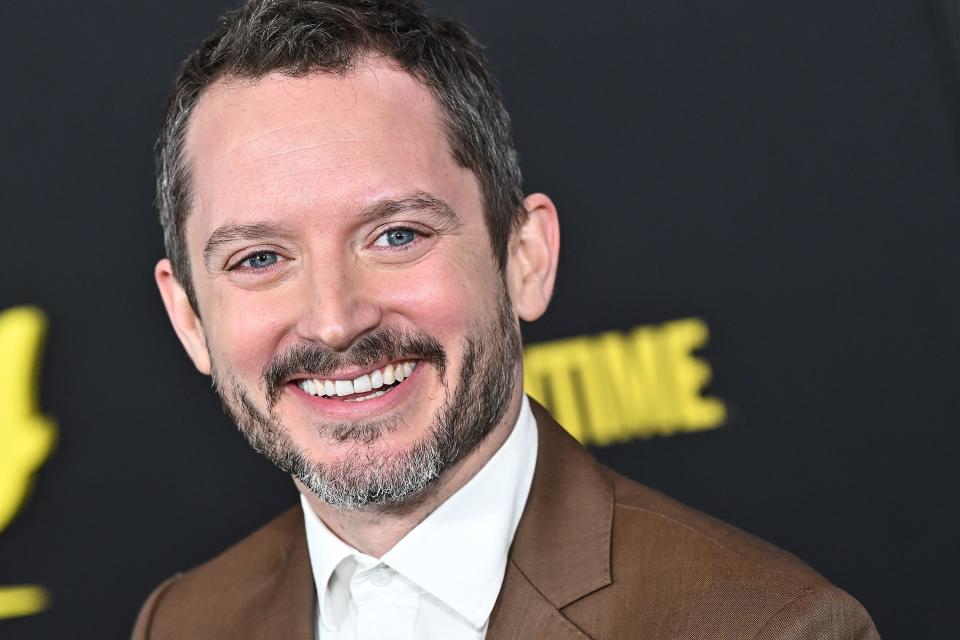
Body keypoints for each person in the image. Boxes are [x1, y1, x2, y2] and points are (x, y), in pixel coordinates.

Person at [134, 0, 880, 638]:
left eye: (398, 236)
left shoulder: (770, 629)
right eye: (260, 259)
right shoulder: (182, 622)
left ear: (525, 258)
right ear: (189, 316)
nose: (334, 321)